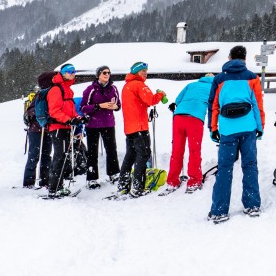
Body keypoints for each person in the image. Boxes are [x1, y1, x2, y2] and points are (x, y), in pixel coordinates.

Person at [207, 45, 265, 223]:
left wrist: (213, 128)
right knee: (249, 165)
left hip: (227, 130)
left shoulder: (219, 79)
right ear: (245, 59)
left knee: (225, 168)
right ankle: (252, 205)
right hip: (247, 128)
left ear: (230, 58)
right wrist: (260, 127)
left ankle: (219, 210)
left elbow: (213, 105)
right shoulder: (252, 78)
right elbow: (257, 104)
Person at [119, 61, 167, 196]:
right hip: (139, 127)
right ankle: (137, 186)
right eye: (142, 71)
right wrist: (160, 95)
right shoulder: (139, 85)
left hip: (130, 127)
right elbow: (150, 100)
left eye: (146, 70)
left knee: (130, 155)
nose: (145, 73)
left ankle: (123, 184)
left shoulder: (127, 86)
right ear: (135, 72)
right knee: (143, 154)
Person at [163, 73, 214, 193]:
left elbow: (178, 100)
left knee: (176, 150)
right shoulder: (214, 87)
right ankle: (194, 181)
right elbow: (214, 105)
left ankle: (172, 181)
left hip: (179, 117)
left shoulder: (191, 84)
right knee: (194, 150)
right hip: (195, 119)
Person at [81, 65, 122, 189]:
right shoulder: (91, 89)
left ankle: (114, 174)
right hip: (93, 124)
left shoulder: (113, 88)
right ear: (98, 74)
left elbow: (118, 104)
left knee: (111, 150)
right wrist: (99, 106)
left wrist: (116, 107)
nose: (107, 74)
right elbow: (83, 108)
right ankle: (92, 179)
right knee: (92, 152)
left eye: (109, 72)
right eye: (104, 72)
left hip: (108, 123)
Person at [45, 63, 83, 197]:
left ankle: (58, 186)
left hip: (65, 127)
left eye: (74, 71)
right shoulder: (56, 89)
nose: (73, 73)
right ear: (62, 73)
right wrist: (68, 120)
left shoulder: (67, 89)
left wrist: (78, 118)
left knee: (63, 156)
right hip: (57, 128)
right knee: (59, 156)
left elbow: (70, 110)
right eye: (69, 71)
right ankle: (54, 188)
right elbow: (54, 111)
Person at [22, 71, 55, 189]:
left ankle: (45, 181)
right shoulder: (40, 94)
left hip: (47, 129)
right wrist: (43, 115)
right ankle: (29, 182)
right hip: (36, 130)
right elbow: (30, 110)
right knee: (34, 155)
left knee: (46, 156)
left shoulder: (51, 93)